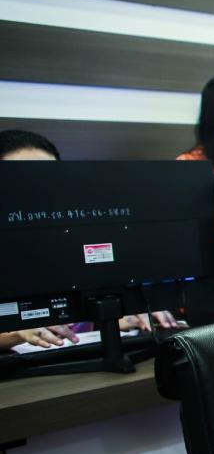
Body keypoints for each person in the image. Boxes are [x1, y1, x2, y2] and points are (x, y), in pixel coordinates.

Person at [0, 130, 178, 352]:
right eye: (21, 178)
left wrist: (127, 313)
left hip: (83, 355)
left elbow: (88, 313)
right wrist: (16, 332)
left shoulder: (79, 237)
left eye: (47, 175)